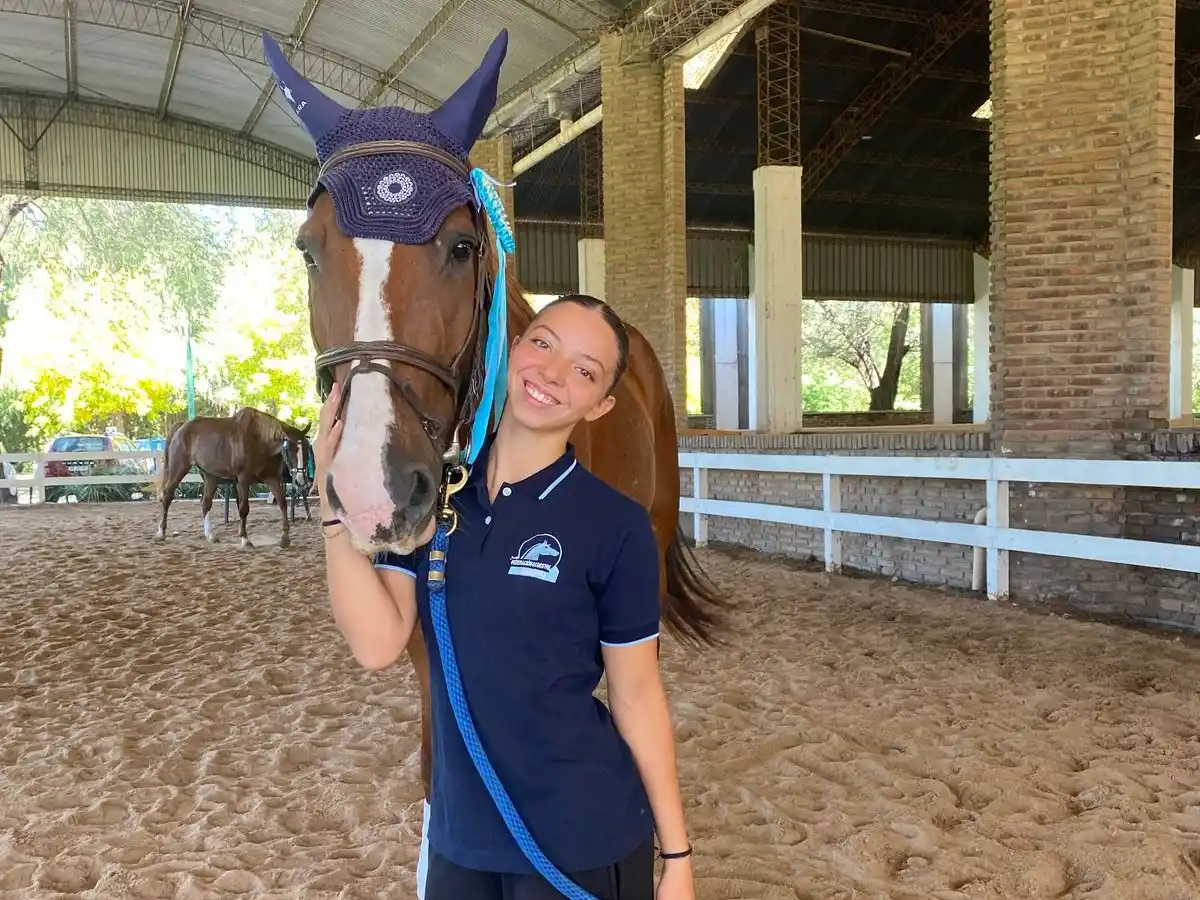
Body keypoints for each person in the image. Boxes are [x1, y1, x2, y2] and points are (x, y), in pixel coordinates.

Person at [314, 294, 695, 900]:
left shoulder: (616, 526)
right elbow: (377, 643)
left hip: (580, 842)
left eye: (584, 370)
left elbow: (637, 695)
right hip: (460, 839)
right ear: (512, 349)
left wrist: (677, 856)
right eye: (542, 343)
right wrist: (332, 507)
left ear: (601, 406)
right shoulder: (435, 501)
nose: (551, 373)